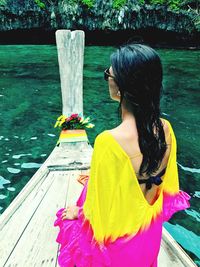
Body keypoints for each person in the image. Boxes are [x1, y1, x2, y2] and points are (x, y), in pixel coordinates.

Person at [54, 44, 191, 267]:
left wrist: (80, 212)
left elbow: (100, 216)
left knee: (68, 222)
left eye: (108, 73)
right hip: (148, 239)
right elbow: (164, 190)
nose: (107, 77)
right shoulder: (166, 129)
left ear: (121, 86)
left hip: (119, 250)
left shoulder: (109, 141)